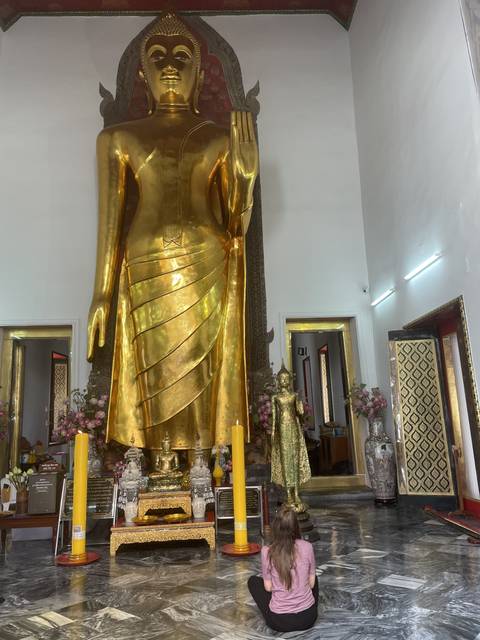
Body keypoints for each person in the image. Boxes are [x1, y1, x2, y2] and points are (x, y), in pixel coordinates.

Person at [248, 505, 319, 632]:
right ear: (296, 526)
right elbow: (312, 584)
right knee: (314, 577)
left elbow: (268, 588)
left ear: (275, 527)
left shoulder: (267, 551)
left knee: (253, 582)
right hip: (308, 618)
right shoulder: (307, 546)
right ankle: (302, 602)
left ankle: (283, 600)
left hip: (280, 621)